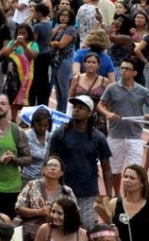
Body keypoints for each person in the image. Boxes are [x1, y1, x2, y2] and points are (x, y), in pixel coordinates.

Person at [48, 96, 113, 229]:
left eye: (81, 108)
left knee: (88, 229)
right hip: (63, 192)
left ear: (90, 113)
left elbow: (106, 169)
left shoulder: (98, 138)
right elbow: (51, 163)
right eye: (75, 107)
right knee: (61, 227)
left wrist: (109, 195)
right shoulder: (60, 134)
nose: (76, 110)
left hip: (89, 194)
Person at [96, 60, 149, 175]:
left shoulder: (143, 91)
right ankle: (117, 193)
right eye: (122, 68)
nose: (123, 70)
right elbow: (100, 105)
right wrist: (107, 113)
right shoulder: (112, 88)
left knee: (135, 171)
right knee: (114, 171)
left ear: (134, 73)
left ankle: (130, 193)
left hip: (135, 137)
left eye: (127, 69)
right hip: (115, 135)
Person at [94, 165, 149, 241]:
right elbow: (106, 231)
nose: (127, 180)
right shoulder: (114, 204)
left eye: (132, 178)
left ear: (142, 183)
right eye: (125, 177)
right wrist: (112, 232)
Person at [16, 156, 76, 240]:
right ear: (43, 169)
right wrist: (39, 212)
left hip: (56, 232)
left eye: (56, 166)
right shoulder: (32, 185)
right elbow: (19, 208)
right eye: (50, 165)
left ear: (62, 173)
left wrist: (55, 216)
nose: (52, 168)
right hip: (29, 231)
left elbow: (74, 215)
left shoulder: (67, 191)